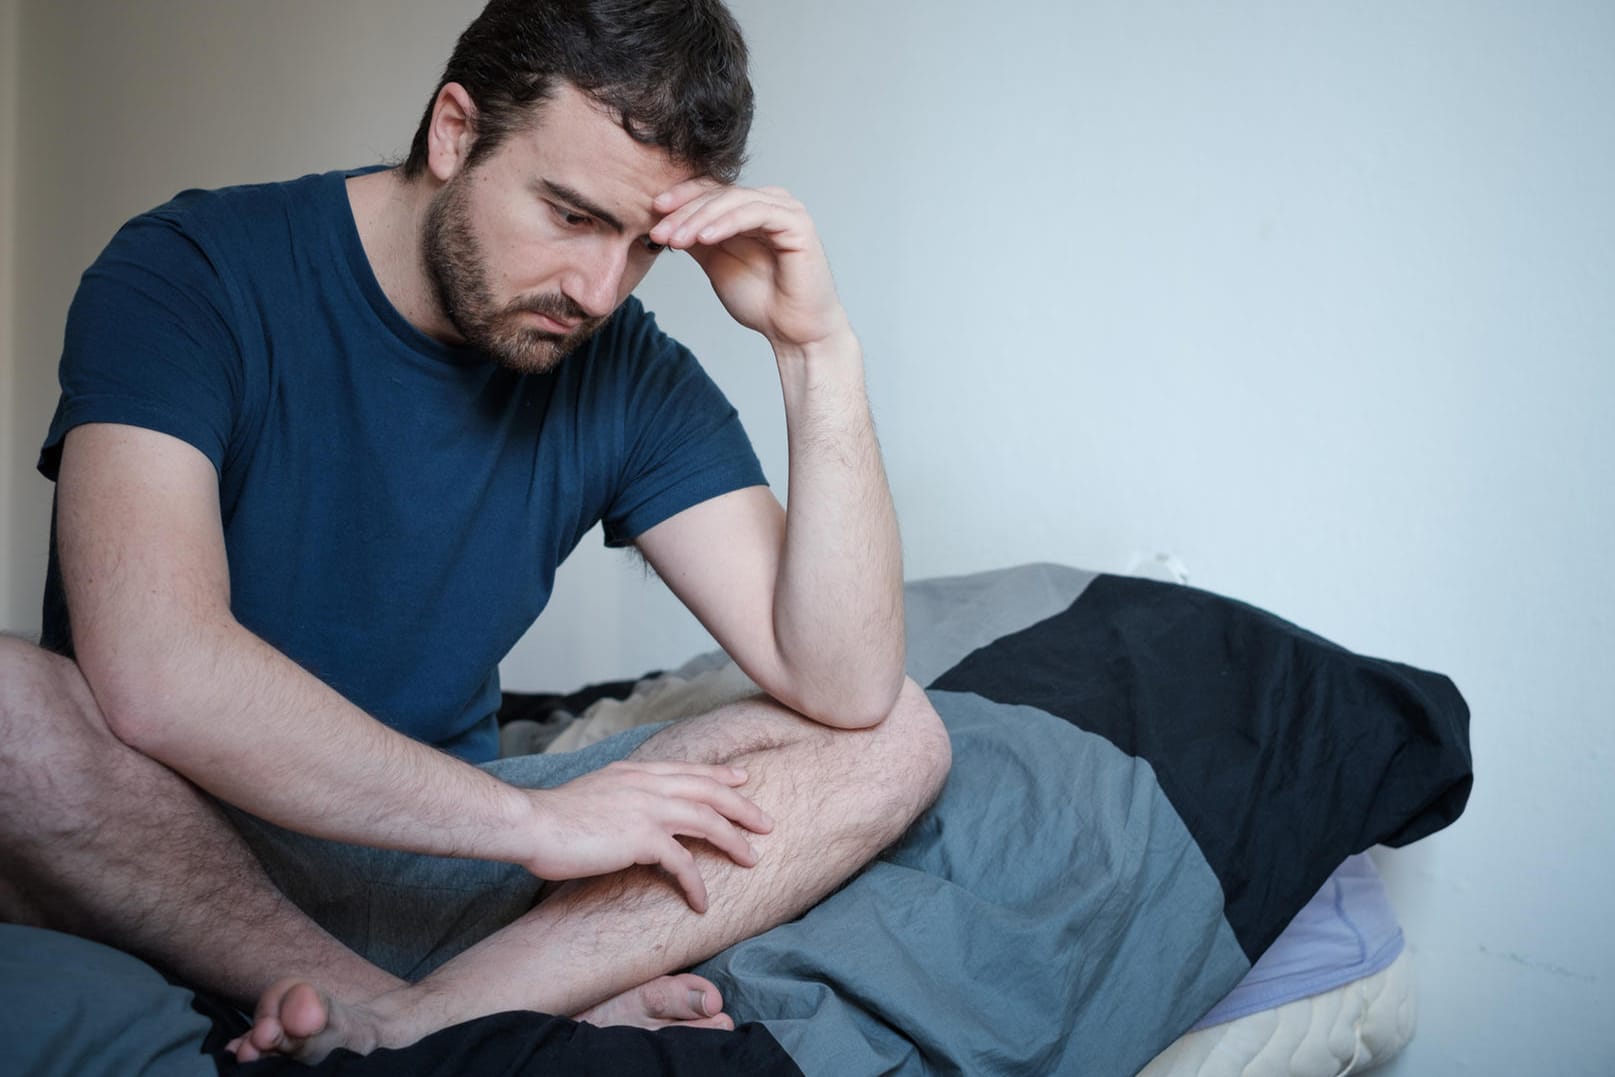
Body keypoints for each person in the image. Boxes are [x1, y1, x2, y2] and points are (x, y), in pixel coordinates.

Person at [0, 0, 951, 1063]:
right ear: (454, 130)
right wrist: (540, 828)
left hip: (437, 860)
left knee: (899, 737)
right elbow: (156, 670)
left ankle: (419, 1020)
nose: (599, 289)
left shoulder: (623, 366)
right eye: (573, 214)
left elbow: (845, 683)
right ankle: (426, 1004)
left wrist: (814, 350)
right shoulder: (190, 271)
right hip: (172, 843)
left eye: (643, 245)